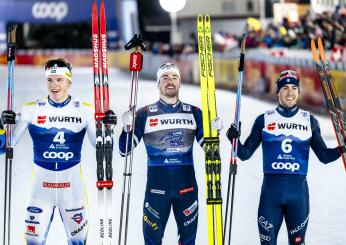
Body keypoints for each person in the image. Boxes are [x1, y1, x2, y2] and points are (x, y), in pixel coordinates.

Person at [0, 58, 116, 245]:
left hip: (72, 190)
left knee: (78, 241)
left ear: (69, 82)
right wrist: (0, 126)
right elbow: (6, 146)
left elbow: (100, 147)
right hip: (40, 189)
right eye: (50, 80)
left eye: (59, 80)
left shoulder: (84, 111)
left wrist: (108, 128)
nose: (54, 85)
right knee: (33, 241)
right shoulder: (31, 109)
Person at [226, 69, 345, 245]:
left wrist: (342, 148)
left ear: (298, 91)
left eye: (294, 88)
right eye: (285, 88)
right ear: (278, 91)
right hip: (270, 194)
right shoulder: (264, 120)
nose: (290, 93)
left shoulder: (309, 121)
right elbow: (244, 154)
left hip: (298, 195)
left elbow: (324, 156)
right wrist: (234, 139)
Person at [119, 63, 204, 245]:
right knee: (151, 241)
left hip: (187, 188)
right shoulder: (144, 114)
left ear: (180, 82)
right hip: (156, 190)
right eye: (165, 78)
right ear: (158, 84)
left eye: (174, 77)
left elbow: (211, 149)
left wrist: (215, 133)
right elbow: (123, 150)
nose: (170, 81)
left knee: (188, 241)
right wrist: (126, 128)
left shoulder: (195, 113)